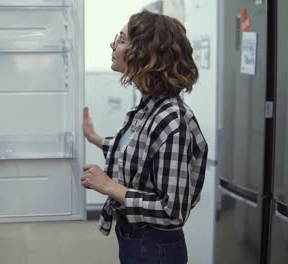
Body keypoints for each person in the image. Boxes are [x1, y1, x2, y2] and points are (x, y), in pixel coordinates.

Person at [81, 10, 208, 264]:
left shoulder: (172, 120)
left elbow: (172, 212)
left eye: (122, 39)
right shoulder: (150, 107)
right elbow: (139, 152)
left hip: (155, 248)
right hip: (136, 240)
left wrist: (109, 186)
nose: (113, 44)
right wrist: (95, 138)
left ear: (146, 55)